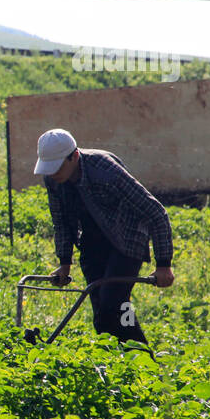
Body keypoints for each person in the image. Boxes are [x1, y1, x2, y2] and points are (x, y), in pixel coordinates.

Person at [34, 127, 174, 346]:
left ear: (75, 156)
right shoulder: (53, 179)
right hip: (92, 240)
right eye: (48, 167)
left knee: (112, 304)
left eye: (57, 166)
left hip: (126, 240)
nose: (52, 173)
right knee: (104, 313)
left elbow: (155, 212)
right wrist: (64, 263)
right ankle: (118, 360)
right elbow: (60, 221)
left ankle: (142, 360)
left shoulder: (105, 171)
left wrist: (164, 264)